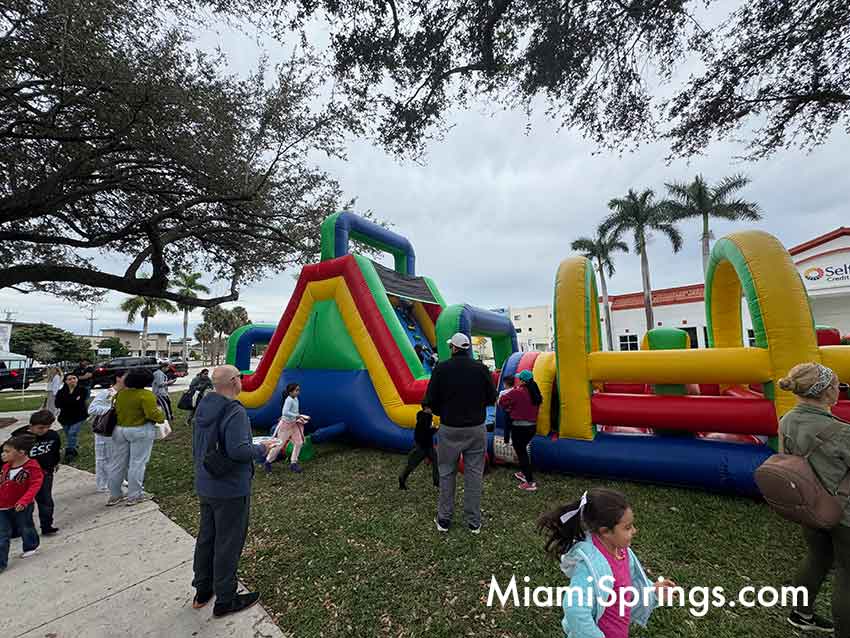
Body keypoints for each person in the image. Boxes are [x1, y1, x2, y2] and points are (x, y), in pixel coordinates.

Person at [191, 365, 277, 618]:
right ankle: (225, 598)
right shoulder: (234, 410)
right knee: (228, 541)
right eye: (240, 377)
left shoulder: (205, 405)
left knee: (207, 538)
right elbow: (239, 450)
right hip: (229, 488)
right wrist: (263, 448)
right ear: (233, 382)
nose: (242, 380)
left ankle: (202, 590)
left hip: (206, 483)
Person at [538, 488, 676, 637]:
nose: (634, 531)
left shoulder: (622, 553)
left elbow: (624, 588)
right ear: (605, 531)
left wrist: (652, 590)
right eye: (628, 527)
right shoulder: (590, 567)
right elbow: (574, 608)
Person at [778, 363, 850, 636]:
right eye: (837, 385)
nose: (839, 390)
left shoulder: (786, 420)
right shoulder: (841, 431)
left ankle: (801, 613)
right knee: (847, 574)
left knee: (817, 558)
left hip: (809, 507)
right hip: (843, 513)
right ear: (826, 392)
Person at [423, 332, 497, 534]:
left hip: (449, 429)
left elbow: (429, 401)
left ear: (453, 348)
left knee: (447, 473)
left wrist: (442, 411)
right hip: (476, 429)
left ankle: (444, 520)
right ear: (467, 348)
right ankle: (474, 522)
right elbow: (492, 398)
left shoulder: (441, 369)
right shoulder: (481, 369)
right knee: (474, 475)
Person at [107, 368, 164, 506]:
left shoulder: (121, 394)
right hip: (140, 430)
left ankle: (115, 495)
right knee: (137, 463)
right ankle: (135, 495)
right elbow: (152, 414)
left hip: (120, 430)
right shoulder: (146, 395)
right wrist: (161, 417)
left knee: (117, 463)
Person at [12, 411, 61, 535]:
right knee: (22, 502)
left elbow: (55, 451)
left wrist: (55, 463)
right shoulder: (19, 438)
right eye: (40, 427)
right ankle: (17, 529)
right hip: (22, 475)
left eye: (47, 427)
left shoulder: (52, 436)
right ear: (31, 425)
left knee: (46, 500)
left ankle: (47, 526)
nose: (44, 430)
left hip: (44, 473)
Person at [0, 434, 44, 571]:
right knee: (2, 534)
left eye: (7, 451)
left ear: (21, 452)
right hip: (2, 506)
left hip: (22, 505)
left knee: (25, 525)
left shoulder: (32, 467)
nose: (3, 454)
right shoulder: (6, 467)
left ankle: (30, 545)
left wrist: (24, 501)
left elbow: (35, 486)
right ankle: (1, 563)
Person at [498, 369, 543, 492]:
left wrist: (510, 406)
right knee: (522, 450)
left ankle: (530, 482)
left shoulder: (518, 392)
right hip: (531, 428)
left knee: (521, 452)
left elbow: (502, 401)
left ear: (522, 380)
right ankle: (524, 473)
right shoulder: (535, 393)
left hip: (519, 427)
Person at [89, 369, 127, 493]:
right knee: (103, 457)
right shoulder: (107, 393)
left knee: (118, 456)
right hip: (105, 430)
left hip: (120, 430)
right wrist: (111, 410)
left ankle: (119, 479)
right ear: (118, 378)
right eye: (126, 377)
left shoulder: (127, 393)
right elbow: (92, 409)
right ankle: (102, 483)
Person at [264, 383, 310, 474]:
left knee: (299, 442)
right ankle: (268, 461)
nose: (298, 392)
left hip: (295, 424)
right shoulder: (289, 400)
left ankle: (293, 463)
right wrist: (297, 416)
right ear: (290, 392)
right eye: (296, 390)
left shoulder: (295, 398)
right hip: (286, 426)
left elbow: (294, 411)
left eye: (298, 390)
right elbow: (285, 412)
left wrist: (299, 417)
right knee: (279, 445)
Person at [398, 408, 439, 490]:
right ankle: (402, 479)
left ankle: (437, 482)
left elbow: (426, 432)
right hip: (422, 447)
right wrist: (436, 429)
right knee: (412, 464)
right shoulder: (424, 418)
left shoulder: (427, 417)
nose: (432, 410)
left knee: (436, 461)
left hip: (427, 446)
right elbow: (426, 432)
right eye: (430, 408)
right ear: (426, 409)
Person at [54, 373, 89, 463]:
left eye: (74, 378)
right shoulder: (61, 392)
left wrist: (67, 402)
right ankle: (74, 446)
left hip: (79, 416)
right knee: (68, 434)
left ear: (77, 379)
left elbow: (80, 402)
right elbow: (57, 404)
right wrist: (73, 400)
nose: (72, 380)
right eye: (69, 379)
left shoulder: (83, 390)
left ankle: (70, 453)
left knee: (72, 433)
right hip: (64, 417)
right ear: (65, 381)